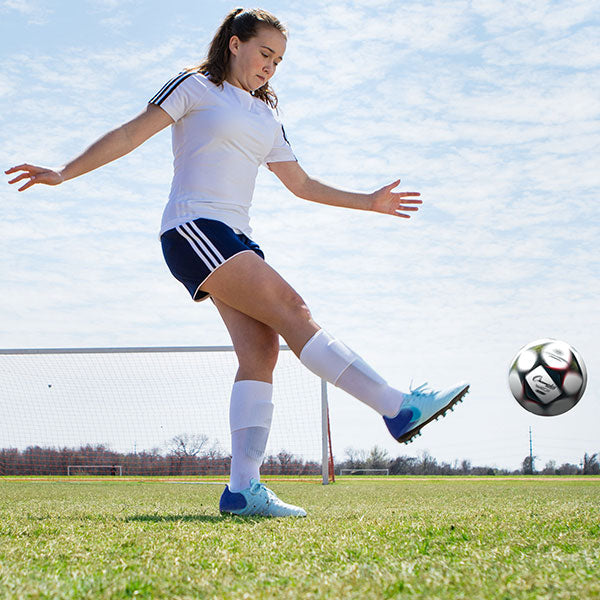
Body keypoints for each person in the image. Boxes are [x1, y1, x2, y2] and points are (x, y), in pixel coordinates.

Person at [5, 7, 469, 517]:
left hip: (237, 238)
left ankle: (243, 490)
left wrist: (369, 201)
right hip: (193, 228)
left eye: (279, 60)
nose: (271, 66)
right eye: (264, 53)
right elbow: (130, 133)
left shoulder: (266, 118)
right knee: (293, 308)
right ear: (234, 43)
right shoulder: (194, 87)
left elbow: (302, 185)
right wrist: (64, 172)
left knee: (261, 351)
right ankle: (397, 406)